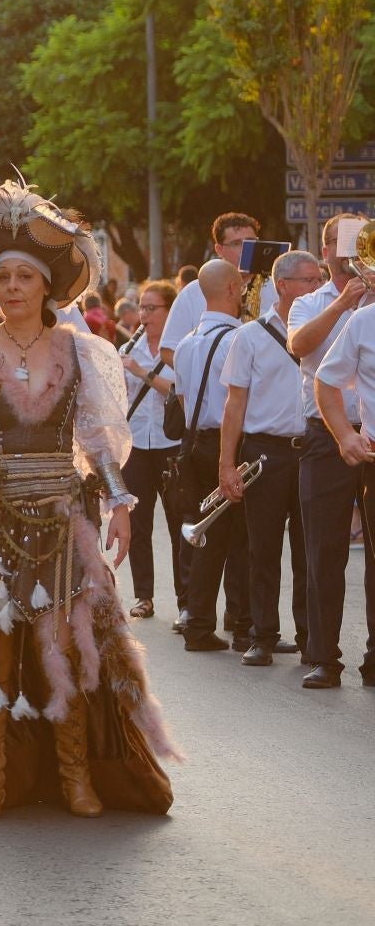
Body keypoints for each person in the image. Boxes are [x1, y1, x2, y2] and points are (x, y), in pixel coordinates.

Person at [0, 183, 179, 820]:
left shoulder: (78, 351)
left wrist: (120, 503)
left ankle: (76, 778)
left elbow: (96, 438)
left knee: (64, 651)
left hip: (63, 521)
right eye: (2, 277)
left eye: (24, 277)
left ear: (46, 287)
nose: (11, 287)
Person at [217, 249, 322, 666]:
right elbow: (234, 403)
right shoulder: (250, 336)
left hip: (313, 448)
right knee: (262, 550)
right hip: (265, 451)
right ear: (283, 286)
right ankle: (262, 635)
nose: (317, 287)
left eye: (318, 280)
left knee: (310, 551)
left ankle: (312, 640)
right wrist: (227, 464)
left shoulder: (327, 328)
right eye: (309, 280)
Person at [289, 215, 370, 688]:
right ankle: (324, 655)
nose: (353, 255)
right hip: (324, 436)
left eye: (362, 244)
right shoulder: (309, 302)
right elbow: (299, 346)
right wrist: (343, 303)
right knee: (323, 551)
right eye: (344, 246)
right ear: (325, 252)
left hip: (371, 433)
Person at [173, 260, 253, 651]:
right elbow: (242, 403)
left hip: (196, 444)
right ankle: (243, 624)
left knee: (208, 537)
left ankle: (199, 623)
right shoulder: (239, 338)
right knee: (244, 539)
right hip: (231, 445)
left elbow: (183, 399)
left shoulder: (186, 343)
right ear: (233, 289)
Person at [120, 281, 182, 621]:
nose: (143, 315)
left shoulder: (179, 349)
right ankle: (144, 596)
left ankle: (186, 601)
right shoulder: (128, 349)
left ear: (169, 311)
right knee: (138, 524)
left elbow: (176, 390)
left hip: (169, 445)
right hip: (136, 447)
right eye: (141, 308)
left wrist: (140, 372)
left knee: (177, 524)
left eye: (151, 308)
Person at [161, 212, 273, 366]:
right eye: (237, 243)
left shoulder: (277, 288)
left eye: (251, 242)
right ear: (219, 249)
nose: (246, 249)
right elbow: (168, 350)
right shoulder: (193, 292)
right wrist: (203, 374)